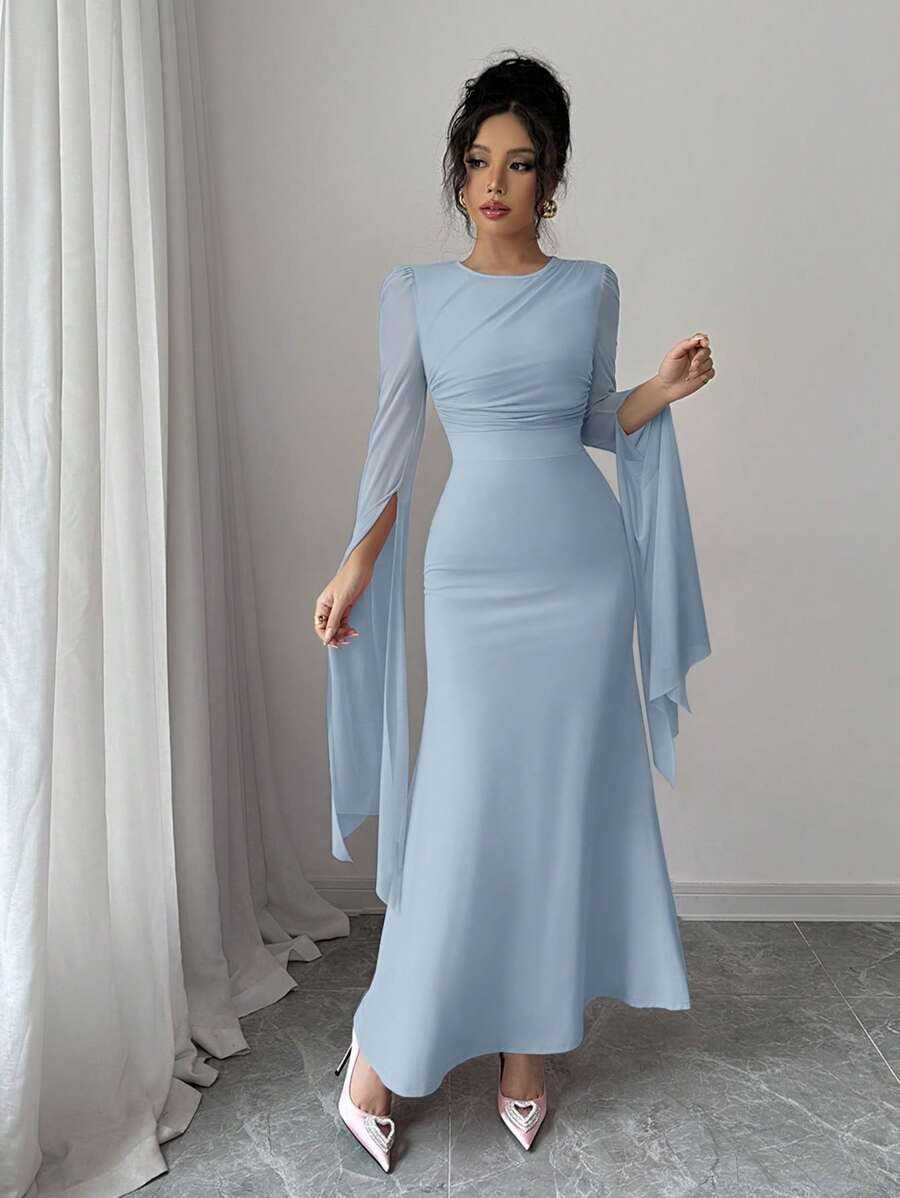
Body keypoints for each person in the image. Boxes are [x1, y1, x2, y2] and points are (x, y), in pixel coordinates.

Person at [315, 53, 713, 1173]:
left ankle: (529, 1046)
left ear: (552, 178)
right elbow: (394, 450)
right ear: (459, 172)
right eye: (479, 160)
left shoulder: (590, 287)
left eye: (521, 163)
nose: (495, 182)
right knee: (461, 807)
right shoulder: (416, 292)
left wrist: (660, 390)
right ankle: (382, 1048)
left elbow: (591, 416)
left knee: (555, 805)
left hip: (583, 572)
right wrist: (355, 562)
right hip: (474, 576)